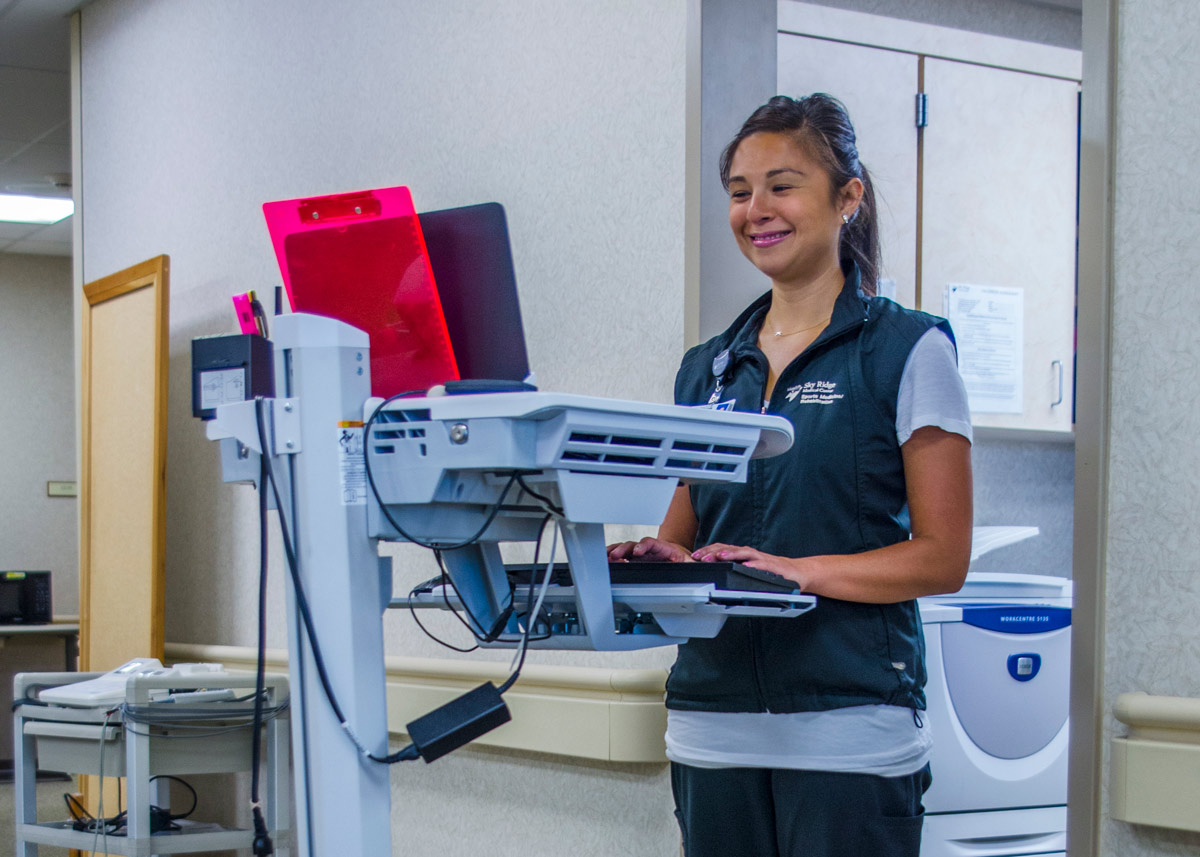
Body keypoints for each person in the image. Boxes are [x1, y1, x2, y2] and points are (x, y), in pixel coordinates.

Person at [608, 94, 974, 857]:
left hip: (850, 731)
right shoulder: (707, 368)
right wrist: (657, 560)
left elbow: (942, 557)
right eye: (740, 192)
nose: (756, 210)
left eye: (783, 185)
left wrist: (794, 572)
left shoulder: (907, 350)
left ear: (848, 197)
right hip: (713, 725)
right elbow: (687, 533)